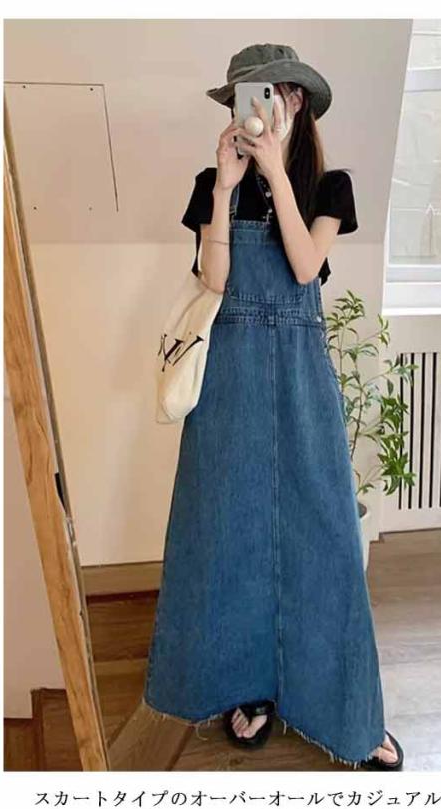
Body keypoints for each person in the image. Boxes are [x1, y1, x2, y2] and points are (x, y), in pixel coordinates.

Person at [143, 43, 403, 771]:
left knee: (326, 534)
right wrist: (226, 189)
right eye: (251, 95)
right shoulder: (212, 182)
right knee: (229, 529)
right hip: (228, 375)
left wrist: (277, 173)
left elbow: (305, 266)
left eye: (280, 94)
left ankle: (345, 708)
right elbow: (214, 278)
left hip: (299, 374)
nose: (265, 107)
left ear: (300, 105)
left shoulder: (329, 186)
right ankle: (248, 683)